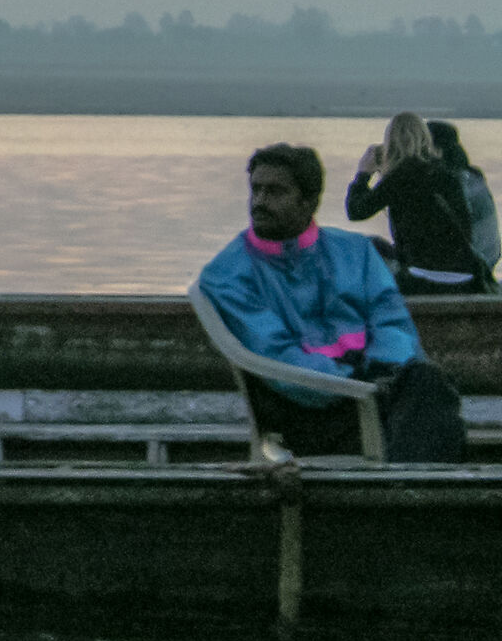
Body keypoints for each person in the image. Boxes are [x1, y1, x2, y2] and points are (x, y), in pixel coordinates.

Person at [197, 142, 465, 463]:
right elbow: (278, 359)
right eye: (256, 190)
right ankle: (415, 499)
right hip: (303, 413)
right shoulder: (230, 274)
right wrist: (359, 383)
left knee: (425, 381)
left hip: (370, 394)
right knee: (428, 399)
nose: (260, 202)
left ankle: (413, 495)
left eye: (276, 191)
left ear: (309, 201)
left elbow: (393, 323)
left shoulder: (354, 252)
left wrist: (386, 371)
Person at [344, 112, 490, 295]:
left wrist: (363, 175)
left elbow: (356, 211)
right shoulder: (447, 175)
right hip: (466, 278)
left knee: (368, 246)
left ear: (391, 143)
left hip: (421, 279)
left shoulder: (400, 176)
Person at [429, 121, 500, 276]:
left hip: (470, 269)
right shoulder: (473, 176)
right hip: (486, 262)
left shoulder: (455, 181)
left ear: (436, 151)